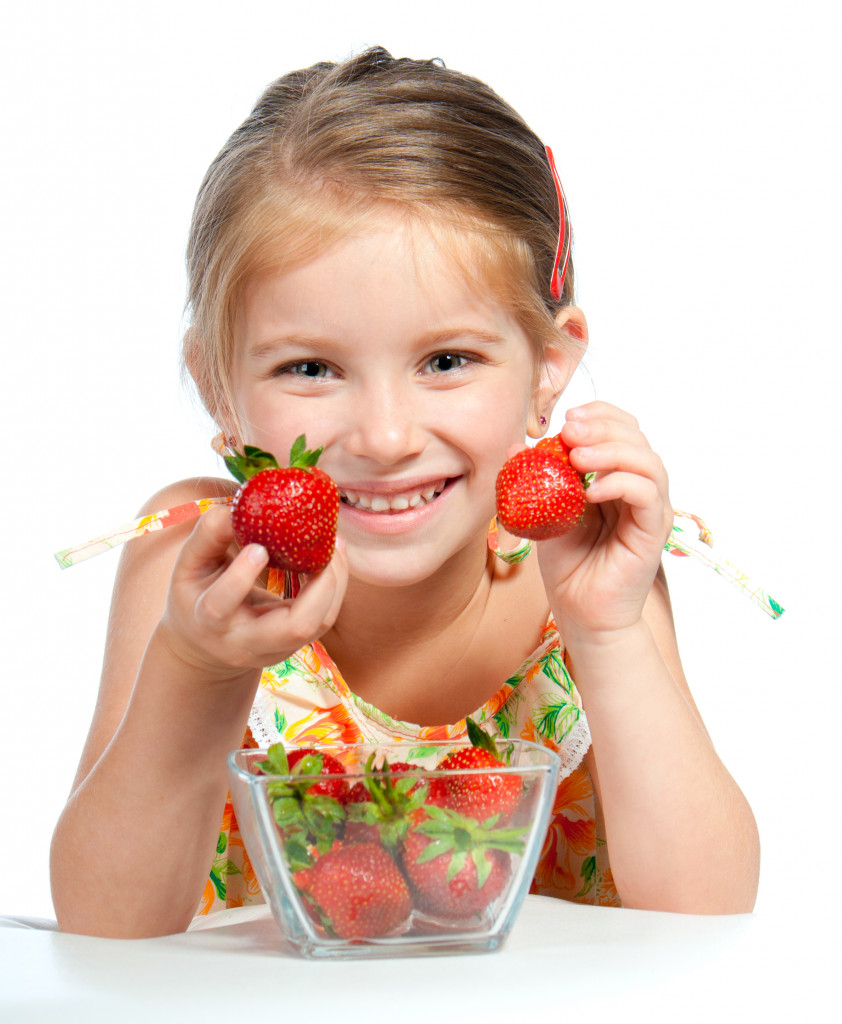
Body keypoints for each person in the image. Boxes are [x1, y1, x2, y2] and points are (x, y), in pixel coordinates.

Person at [50, 46, 760, 937]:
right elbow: (102, 924)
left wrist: (607, 630)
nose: (385, 438)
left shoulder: (582, 560)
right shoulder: (196, 564)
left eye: (447, 361)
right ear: (219, 387)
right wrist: (198, 669)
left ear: (548, 366)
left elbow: (710, 916)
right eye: (310, 367)